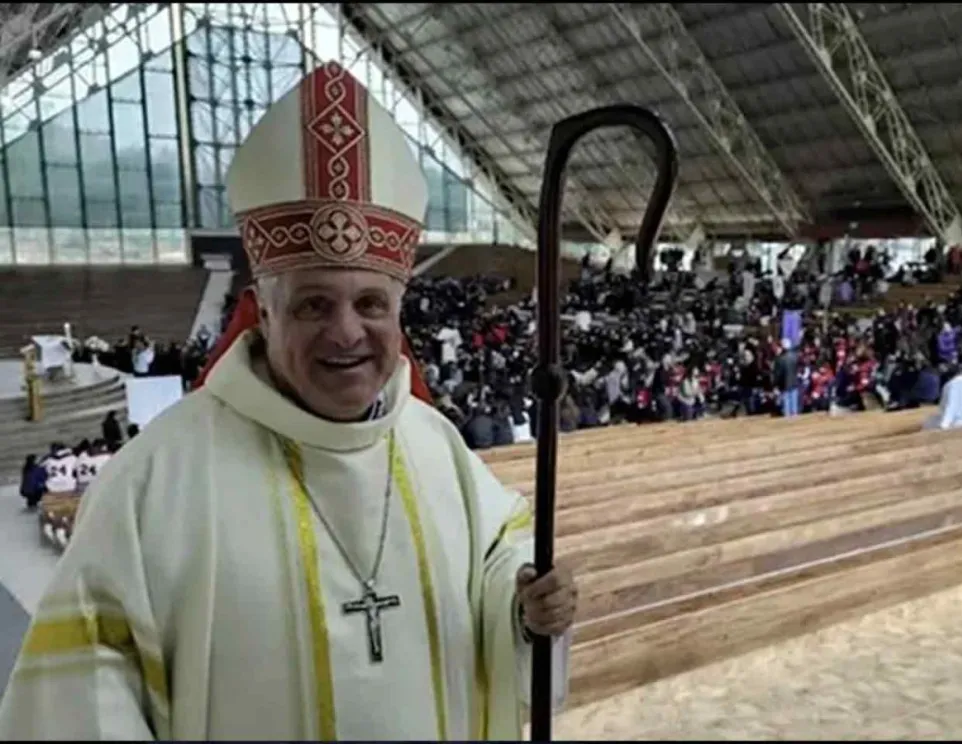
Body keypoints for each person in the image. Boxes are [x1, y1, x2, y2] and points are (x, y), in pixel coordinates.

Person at [0, 61, 575, 741]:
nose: (347, 332)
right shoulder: (156, 477)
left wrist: (525, 606)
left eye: (370, 303)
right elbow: (85, 691)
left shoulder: (434, 444)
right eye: (313, 304)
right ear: (264, 315)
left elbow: (501, 555)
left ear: (400, 316)